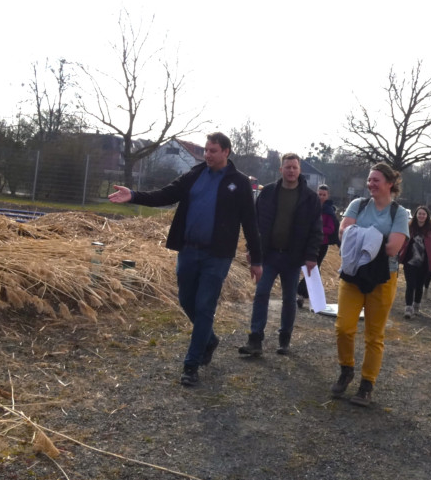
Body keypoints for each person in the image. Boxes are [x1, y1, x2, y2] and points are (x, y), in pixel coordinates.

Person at [109, 132, 262, 387]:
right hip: (189, 251)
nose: (207, 155)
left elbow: (250, 221)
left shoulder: (239, 183)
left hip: (217, 256)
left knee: (204, 306)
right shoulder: (194, 175)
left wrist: (256, 259)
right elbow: (165, 194)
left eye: (213, 150)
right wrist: (134, 195)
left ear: (226, 151)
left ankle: (191, 365)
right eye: (206, 150)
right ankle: (209, 339)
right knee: (186, 300)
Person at [332, 163, 410, 407]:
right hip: (353, 273)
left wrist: (360, 236)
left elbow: (393, 249)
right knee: (344, 327)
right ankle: (346, 370)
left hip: (383, 278)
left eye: (376, 180)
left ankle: (367, 384)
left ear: (390, 184)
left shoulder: (399, 213)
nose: (371, 184)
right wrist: (374, 237)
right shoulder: (358, 205)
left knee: (374, 335)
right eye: (369, 180)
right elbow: (343, 233)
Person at [238, 153, 322, 356]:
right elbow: (254, 224)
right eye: (287, 167)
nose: (291, 171)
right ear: (281, 170)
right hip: (269, 255)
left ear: (299, 170)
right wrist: (251, 249)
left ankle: (284, 338)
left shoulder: (310, 198)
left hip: (293, 257)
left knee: (289, 298)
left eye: (294, 167)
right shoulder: (267, 193)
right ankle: (255, 339)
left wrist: (311, 256)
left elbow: (315, 230)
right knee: (261, 294)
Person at [297, 184, 338, 309]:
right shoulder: (311, 207)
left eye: (323, 195)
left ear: (328, 196)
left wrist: (317, 228)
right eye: (319, 194)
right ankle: (312, 297)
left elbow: (331, 229)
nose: (321, 197)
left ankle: (301, 292)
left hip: (322, 243)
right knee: (311, 268)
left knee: (314, 268)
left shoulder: (328, 211)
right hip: (308, 242)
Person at [401, 205, 431, 319]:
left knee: (419, 285)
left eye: (424, 214)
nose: (421, 216)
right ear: (416, 215)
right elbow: (403, 240)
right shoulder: (410, 227)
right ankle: (408, 307)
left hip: (424, 262)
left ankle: (416, 305)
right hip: (410, 261)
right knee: (410, 284)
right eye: (419, 214)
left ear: (427, 216)